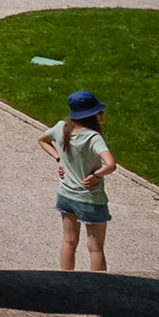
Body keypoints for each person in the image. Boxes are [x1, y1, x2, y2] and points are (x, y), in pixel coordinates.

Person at [38, 90, 116, 271]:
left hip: (66, 194)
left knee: (69, 241)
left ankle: (67, 282)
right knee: (95, 248)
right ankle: (99, 288)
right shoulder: (92, 137)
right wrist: (97, 175)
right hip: (89, 199)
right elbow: (111, 165)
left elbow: (42, 139)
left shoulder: (61, 127)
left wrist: (59, 158)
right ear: (92, 114)